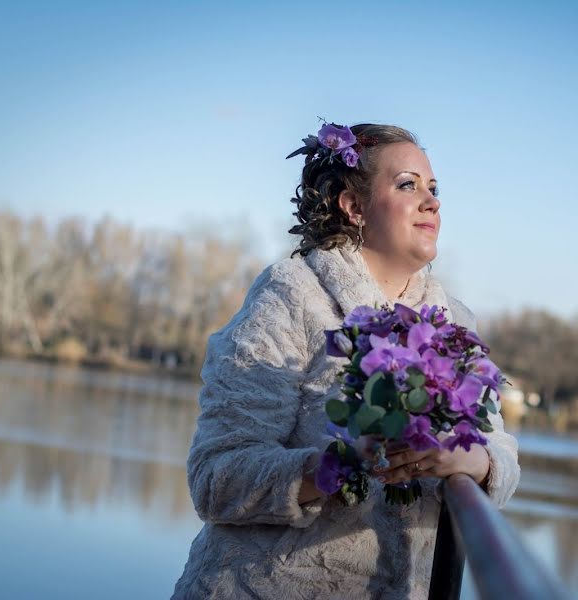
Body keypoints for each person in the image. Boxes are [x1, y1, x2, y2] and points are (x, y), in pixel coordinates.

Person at [171, 122, 520, 599]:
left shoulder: (454, 322)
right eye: (408, 185)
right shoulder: (292, 296)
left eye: (434, 189)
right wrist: (341, 464)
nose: (432, 201)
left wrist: (467, 458)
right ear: (353, 206)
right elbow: (216, 478)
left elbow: (501, 454)